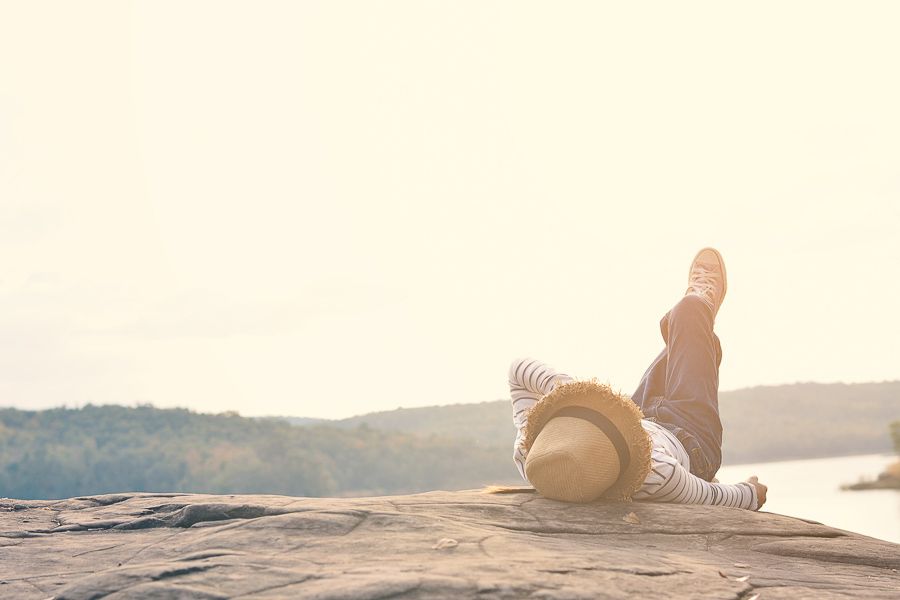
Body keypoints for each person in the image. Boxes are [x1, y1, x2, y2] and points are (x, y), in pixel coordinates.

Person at [508, 248, 768, 510]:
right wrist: (750, 493)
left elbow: (518, 369)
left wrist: (573, 393)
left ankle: (692, 321)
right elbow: (709, 495)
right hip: (690, 437)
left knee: (688, 342)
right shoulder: (654, 473)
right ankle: (698, 304)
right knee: (691, 317)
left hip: (637, 416)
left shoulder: (534, 456)